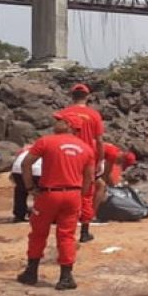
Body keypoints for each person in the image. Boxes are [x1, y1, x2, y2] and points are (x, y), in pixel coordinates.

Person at [16, 112, 94, 290]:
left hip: (49, 193)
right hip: (73, 194)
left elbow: (26, 164)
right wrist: (80, 196)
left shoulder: (46, 141)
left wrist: (29, 188)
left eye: (60, 120)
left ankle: (31, 272)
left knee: (38, 233)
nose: (55, 122)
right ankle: (66, 277)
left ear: (68, 125)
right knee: (67, 235)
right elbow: (89, 177)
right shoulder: (86, 148)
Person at [57, 83, 105, 243]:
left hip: (66, 156)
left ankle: (65, 229)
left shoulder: (63, 114)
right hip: (86, 156)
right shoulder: (94, 115)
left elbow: (57, 135)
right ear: (87, 96)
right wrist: (100, 160)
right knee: (87, 193)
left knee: (65, 189)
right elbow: (99, 141)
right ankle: (84, 230)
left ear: (72, 95)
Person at [93, 142, 137, 212]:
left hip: (87, 151)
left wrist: (112, 185)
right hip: (87, 156)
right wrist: (111, 188)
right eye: (119, 162)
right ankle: (92, 213)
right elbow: (106, 174)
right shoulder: (113, 155)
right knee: (101, 186)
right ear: (122, 159)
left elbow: (107, 174)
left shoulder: (114, 150)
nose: (117, 164)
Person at [11, 144, 42, 222]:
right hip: (36, 170)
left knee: (20, 190)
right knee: (42, 192)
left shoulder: (28, 148)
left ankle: (19, 214)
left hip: (17, 170)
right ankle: (39, 213)